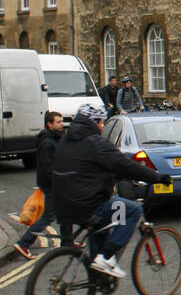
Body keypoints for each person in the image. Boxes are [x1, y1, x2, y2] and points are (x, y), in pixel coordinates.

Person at [52, 103, 170, 278]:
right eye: (100, 122)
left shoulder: (66, 140)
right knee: (132, 211)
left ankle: (97, 275)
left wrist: (113, 176)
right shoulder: (96, 143)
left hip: (62, 205)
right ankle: (106, 258)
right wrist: (157, 177)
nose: (102, 126)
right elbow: (125, 164)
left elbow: (85, 170)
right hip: (88, 204)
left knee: (104, 224)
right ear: (94, 122)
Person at [13, 111, 65, 259]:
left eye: (62, 121)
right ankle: (24, 243)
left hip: (56, 182)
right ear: (49, 124)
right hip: (52, 184)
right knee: (48, 216)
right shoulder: (47, 143)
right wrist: (57, 181)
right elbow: (47, 168)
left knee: (65, 212)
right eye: (58, 122)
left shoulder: (55, 138)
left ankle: (67, 242)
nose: (62, 124)